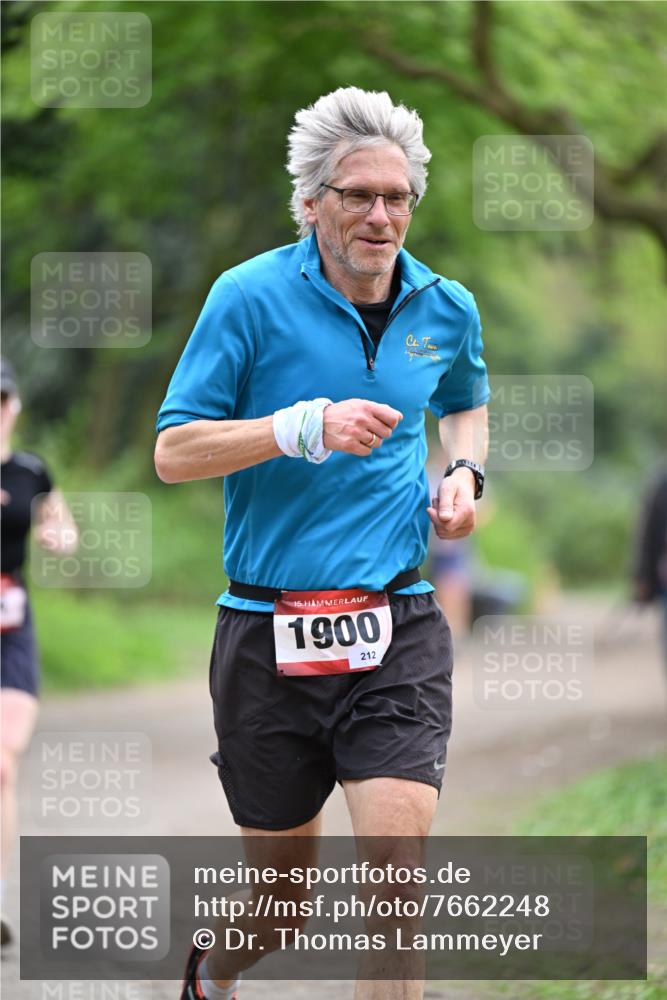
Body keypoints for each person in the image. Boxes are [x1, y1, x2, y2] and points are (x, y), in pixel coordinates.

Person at [155, 87, 489, 1000]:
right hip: (267, 629)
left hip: (396, 619)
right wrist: (296, 427)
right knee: (281, 902)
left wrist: (464, 475)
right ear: (311, 203)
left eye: (397, 197)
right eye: (356, 195)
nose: (380, 216)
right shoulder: (246, 298)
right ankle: (209, 976)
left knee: (394, 877)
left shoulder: (444, 305)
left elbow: (463, 399)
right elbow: (173, 453)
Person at [0, 357, 78, 945]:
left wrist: (58, 536)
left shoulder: (31, 472)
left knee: (3, 763)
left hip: (11, 629)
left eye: (0, 400)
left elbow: (62, 526)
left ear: (14, 407)